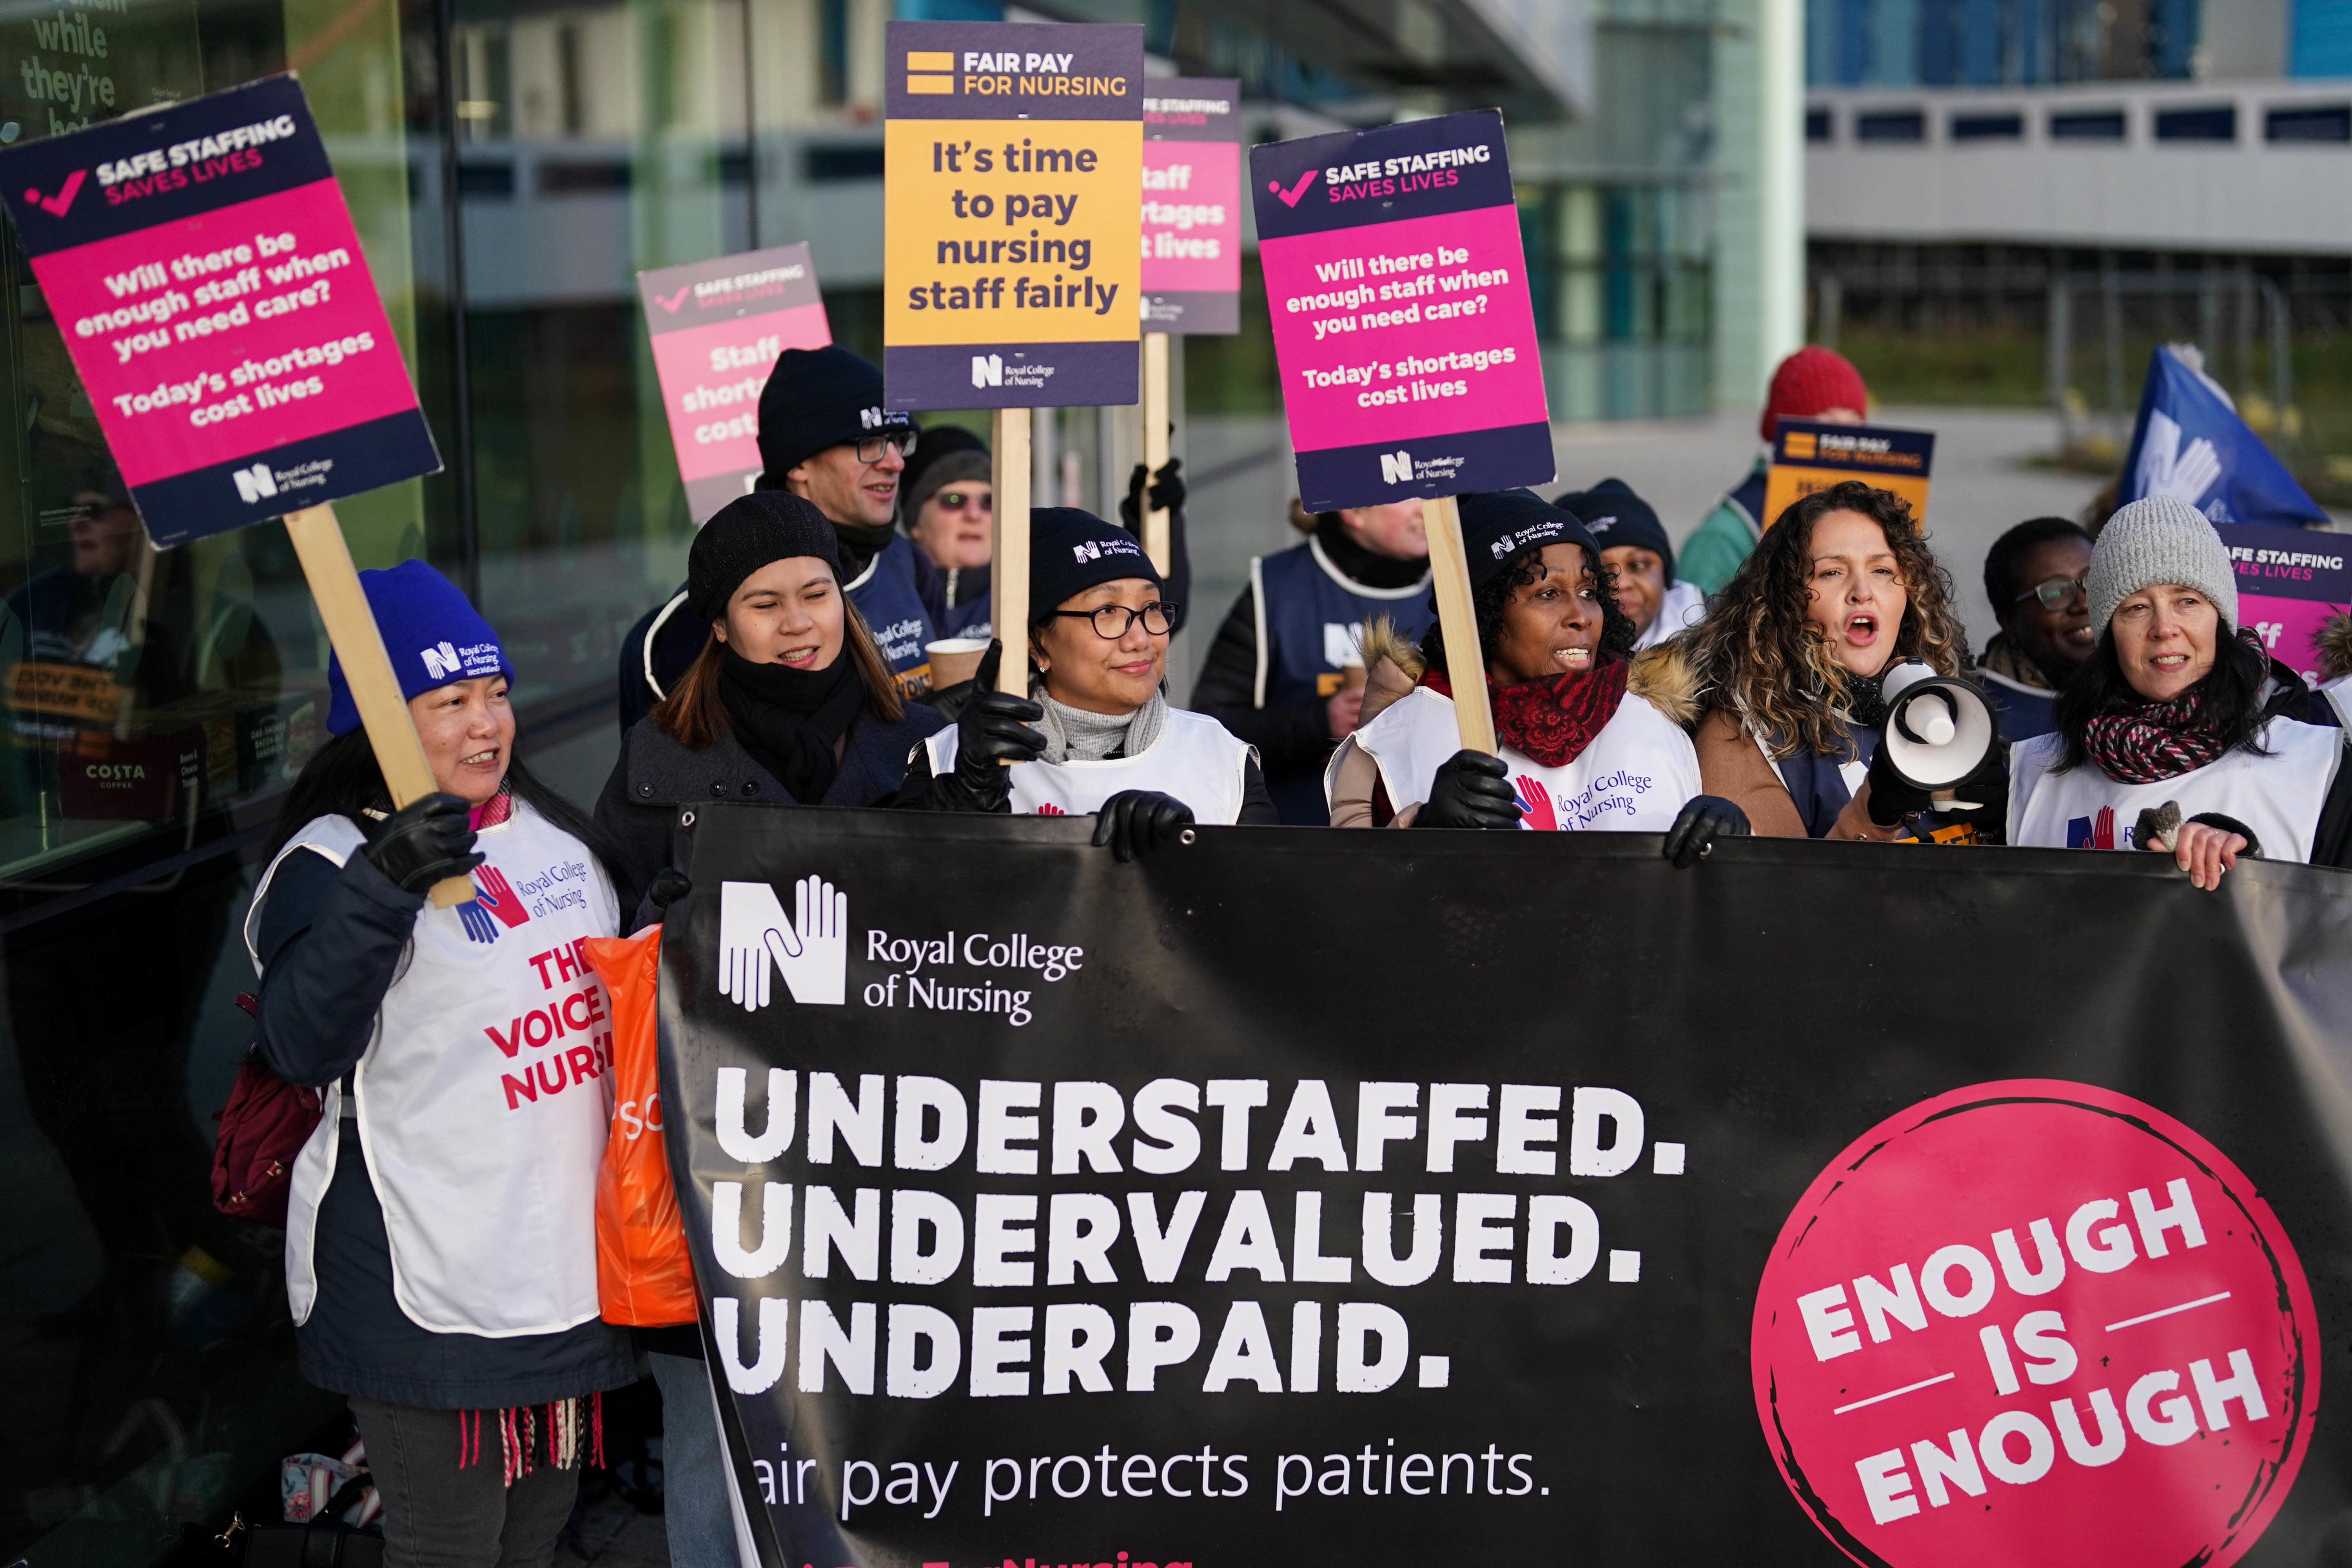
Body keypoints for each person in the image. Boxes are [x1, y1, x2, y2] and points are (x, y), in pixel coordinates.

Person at [244, 561, 633, 1567]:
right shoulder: (328, 862)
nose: (486, 723)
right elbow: (300, 1043)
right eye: (448, 700)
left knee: (536, 1536)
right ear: (371, 717)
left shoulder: (551, 834)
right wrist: (389, 882)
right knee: (449, 1545)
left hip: (559, 1275)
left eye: (495, 692)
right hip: (422, 1282)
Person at [1325, 490, 1742, 862]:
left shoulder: (1663, 717)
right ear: (1482, 614)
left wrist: (1736, 839)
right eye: (1547, 594)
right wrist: (1420, 830)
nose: (1581, 616)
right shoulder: (1395, 735)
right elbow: (1350, 904)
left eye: (1589, 592)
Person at [596, 490, 946, 921]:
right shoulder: (656, 754)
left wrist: (979, 799)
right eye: (766, 605)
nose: (797, 623)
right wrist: (656, 920)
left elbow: (981, 923)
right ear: (721, 625)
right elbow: (611, 932)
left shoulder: (927, 743)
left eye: (816, 595)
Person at [2009, 495, 2352, 884]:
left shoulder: (2320, 764)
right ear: (2109, 634)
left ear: (2220, 620)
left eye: (2187, 601)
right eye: (2136, 608)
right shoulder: (2033, 771)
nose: (2164, 628)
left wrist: (2249, 868)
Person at [901, 507, 1277, 852]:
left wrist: (1190, 854)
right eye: (1108, 611)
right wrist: (965, 798)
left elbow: (1271, 905)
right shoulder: (955, 757)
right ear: (1037, 644)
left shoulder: (1217, 756)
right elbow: (894, 899)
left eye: (1151, 608)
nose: (1141, 639)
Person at [1679, 479, 1993, 841]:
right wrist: (1873, 816)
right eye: (1832, 572)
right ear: (1787, 600)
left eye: (1882, 571)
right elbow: (1779, 889)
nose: (1863, 592)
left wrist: (2005, 819)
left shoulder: (1945, 699)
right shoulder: (1742, 731)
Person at [1189, 497, 1433, 824]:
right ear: (1354, 511)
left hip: (1428, 839)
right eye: (1408, 498)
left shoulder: (1462, 585)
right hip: (1299, 841)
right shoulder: (1278, 586)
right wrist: (1320, 722)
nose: (1426, 508)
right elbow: (1210, 727)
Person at [1679, 347, 1871, 595]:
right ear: (1784, 434)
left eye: (1856, 431)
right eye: (1830, 427)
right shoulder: (1722, 537)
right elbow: (1687, 630)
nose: (1845, 446)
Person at [1978, 517, 2095, 742]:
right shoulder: (1978, 718)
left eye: (2095, 580)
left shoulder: (2158, 691)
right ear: (2009, 620)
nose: (2084, 603)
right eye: (2055, 592)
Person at [1561, 478, 1705, 650]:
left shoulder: (1714, 641)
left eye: (1638, 565)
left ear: (1665, 575)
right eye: (1601, 570)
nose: (1621, 584)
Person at [900, 424, 994, 633]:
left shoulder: (1029, 597)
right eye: (954, 500)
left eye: (988, 501)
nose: (974, 514)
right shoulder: (883, 598)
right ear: (916, 521)